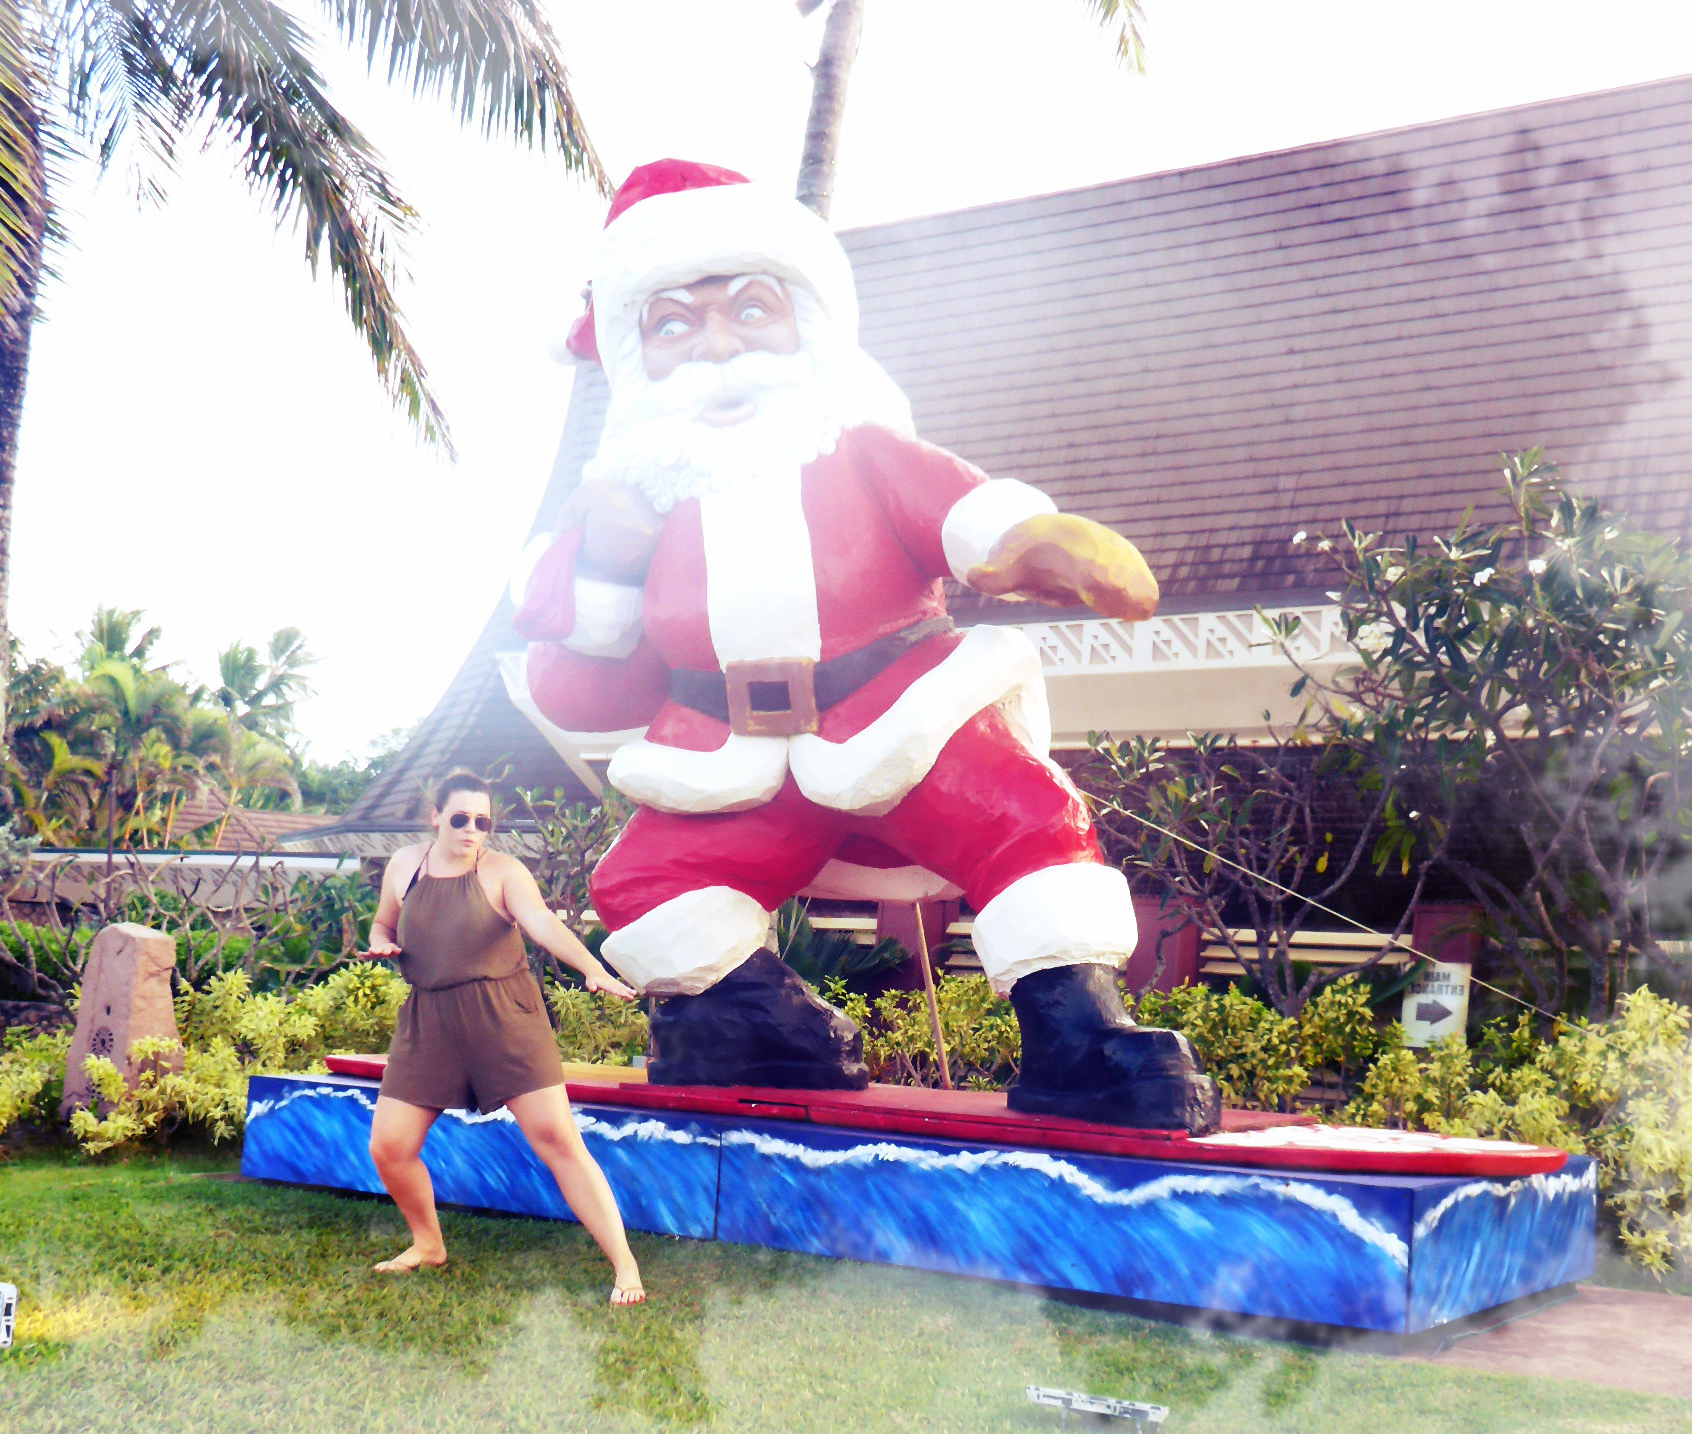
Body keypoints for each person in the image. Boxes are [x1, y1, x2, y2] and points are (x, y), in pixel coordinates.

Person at [516, 158, 1220, 1131]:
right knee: (648, 880)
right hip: (724, 755)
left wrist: (1040, 544)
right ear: (637, 358)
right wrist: (605, 568)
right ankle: (744, 1023)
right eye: (673, 326)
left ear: (807, 318)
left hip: (896, 715)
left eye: (750, 310)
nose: (718, 348)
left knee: (1023, 817)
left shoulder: (859, 451)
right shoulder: (634, 506)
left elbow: (968, 520)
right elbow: (585, 696)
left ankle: (1078, 1030)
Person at [360, 770, 648, 1304]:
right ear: (435, 817)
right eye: (460, 818)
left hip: (505, 1017)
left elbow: (541, 922)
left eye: (482, 821)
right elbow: (383, 923)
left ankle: (625, 1265)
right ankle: (428, 1245)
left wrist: (592, 968)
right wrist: (381, 942)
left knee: (558, 1140)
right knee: (389, 1146)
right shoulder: (404, 866)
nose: (472, 829)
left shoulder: (503, 871)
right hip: (429, 1020)